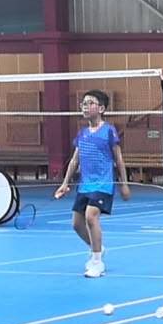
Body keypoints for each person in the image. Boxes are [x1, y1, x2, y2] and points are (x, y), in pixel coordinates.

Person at [53, 89, 132, 278]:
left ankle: (97, 262)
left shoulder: (109, 131)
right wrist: (65, 183)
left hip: (103, 183)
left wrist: (124, 184)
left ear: (101, 108)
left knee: (91, 216)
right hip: (85, 185)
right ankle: (98, 248)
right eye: (83, 103)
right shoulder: (82, 134)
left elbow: (119, 159)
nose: (85, 107)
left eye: (90, 103)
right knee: (76, 224)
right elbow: (74, 160)